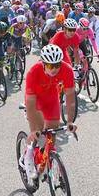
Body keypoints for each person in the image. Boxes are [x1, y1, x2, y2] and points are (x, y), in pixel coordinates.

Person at [19, 45, 77, 184]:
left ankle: (46, 162)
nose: (54, 69)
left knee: (52, 132)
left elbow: (70, 97)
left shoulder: (67, 69)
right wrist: (33, 130)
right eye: (50, 66)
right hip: (35, 101)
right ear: (43, 64)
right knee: (38, 130)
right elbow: (31, 103)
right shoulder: (33, 72)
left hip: (51, 100)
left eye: (57, 65)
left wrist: (70, 121)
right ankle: (28, 156)